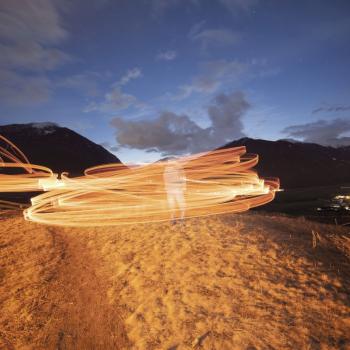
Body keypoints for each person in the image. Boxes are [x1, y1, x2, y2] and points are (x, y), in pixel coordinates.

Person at [163, 158, 186, 224]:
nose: (169, 162)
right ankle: (174, 219)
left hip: (176, 189)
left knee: (180, 204)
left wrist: (183, 187)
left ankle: (181, 219)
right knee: (172, 205)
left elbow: (182, 177)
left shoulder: (178, 167)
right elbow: (165, 179)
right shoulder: (167, 169)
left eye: (170, 161)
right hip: (171, 190)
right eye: (168, 161)